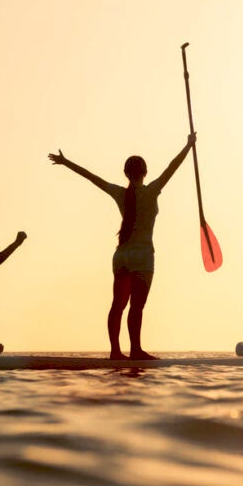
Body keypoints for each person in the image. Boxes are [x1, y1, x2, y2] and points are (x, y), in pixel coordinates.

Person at [48, 134, 196, 360]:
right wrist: (188, 145)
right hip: (142, 257)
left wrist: (66, 162)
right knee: (136, 307)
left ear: (126, 174)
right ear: (145, 172)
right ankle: (135, 350)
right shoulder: (151, 190)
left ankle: (115, 351)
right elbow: (171, 168)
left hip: (121, 256)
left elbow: (92, 178)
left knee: (117, 305)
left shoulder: (120, 193)